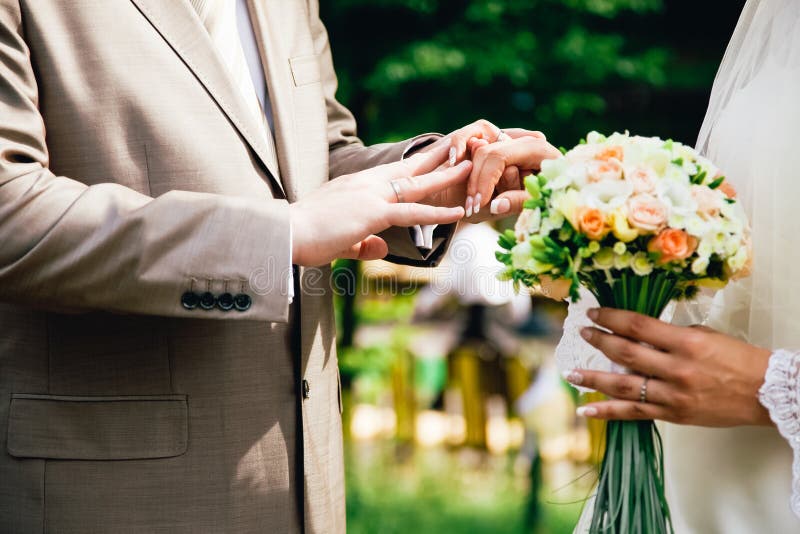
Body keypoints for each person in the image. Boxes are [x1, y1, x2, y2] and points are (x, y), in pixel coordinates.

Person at [0, 1, 561, 531]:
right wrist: (282, 234)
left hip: (307, 486)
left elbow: (322, 156)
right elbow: (11, 209)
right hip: (116, 492)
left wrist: (445, 178)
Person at [558, 0, 800, 531]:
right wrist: (593, 197)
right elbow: (729, 275)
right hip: (697, 479)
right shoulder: (776, 43)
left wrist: (776, 385)